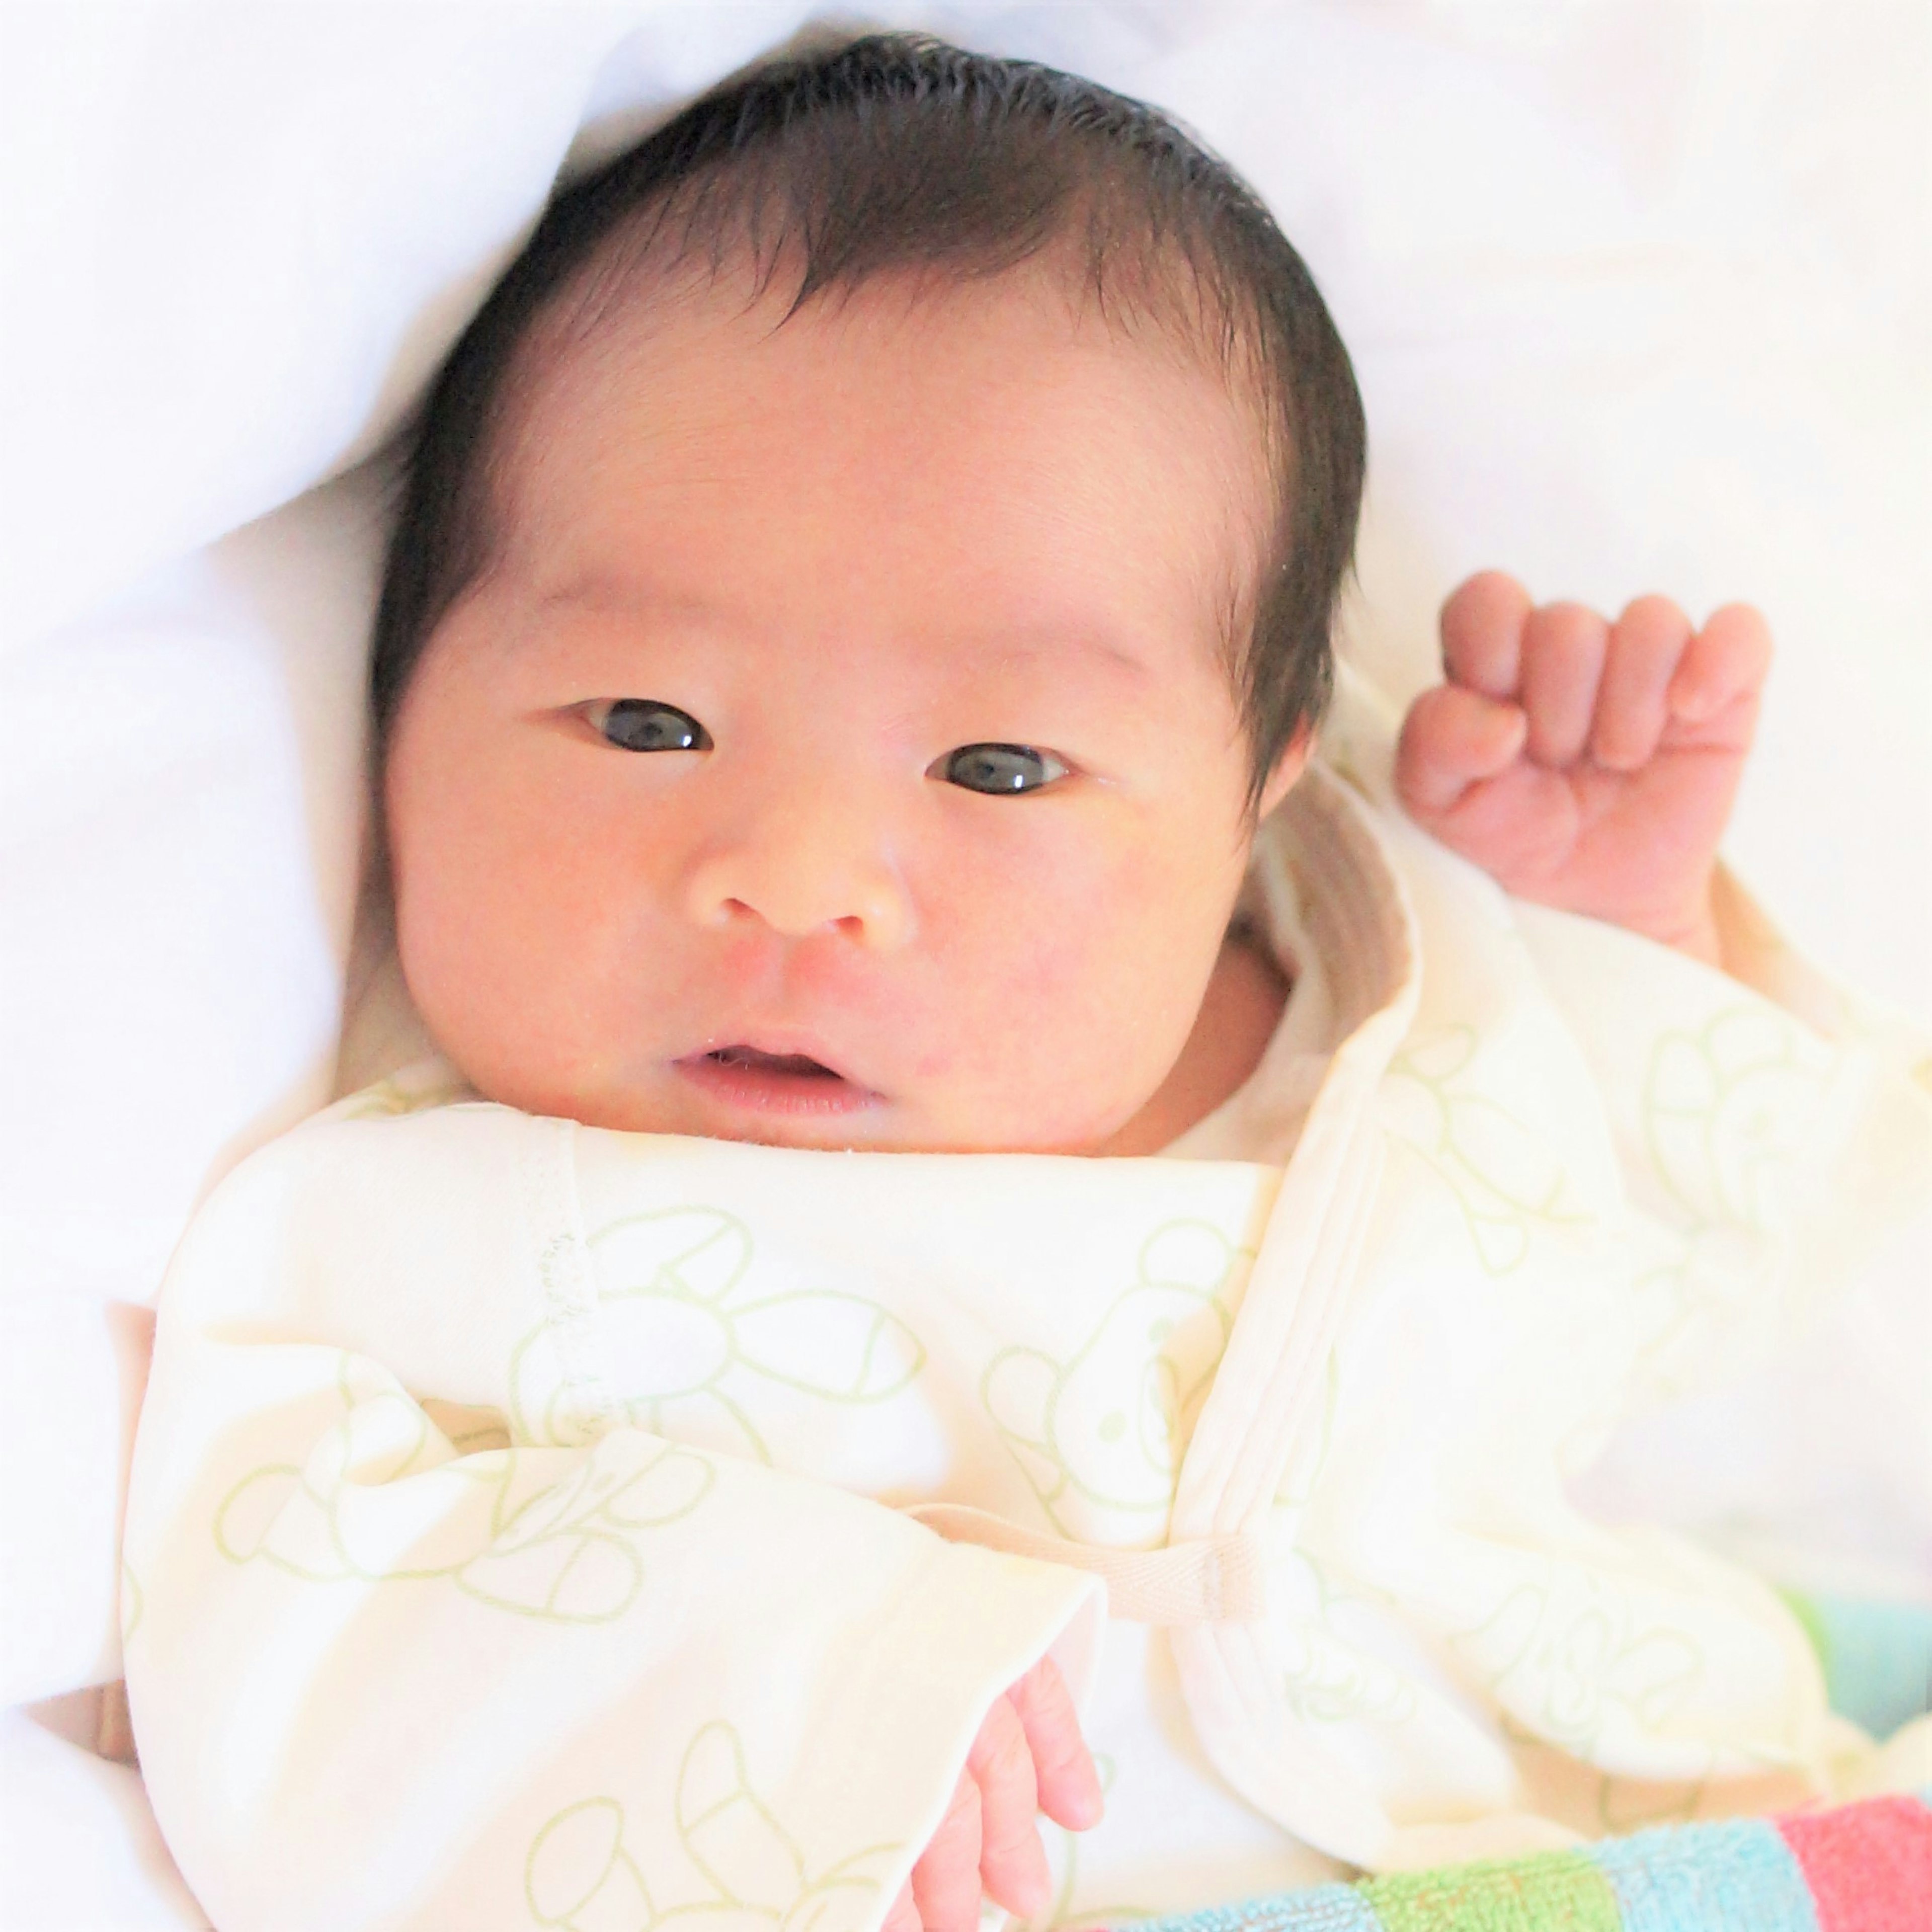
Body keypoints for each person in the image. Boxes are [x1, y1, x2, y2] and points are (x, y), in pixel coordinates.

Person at [122, 32, 1932, 1932]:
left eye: (999, 771)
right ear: (396, 724)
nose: (804, 885)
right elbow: (305, 1645)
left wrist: (1603, 933)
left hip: (1684, 1834)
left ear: (1256, 798)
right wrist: (817, 1685)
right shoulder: (422, 1247)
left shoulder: (1394, 1029)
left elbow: (1671, 1283)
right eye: (648, 722)